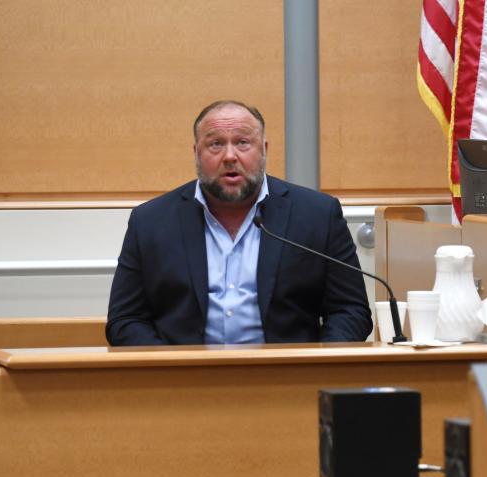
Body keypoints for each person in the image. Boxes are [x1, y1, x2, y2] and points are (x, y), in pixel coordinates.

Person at [106, 100, 372, 346]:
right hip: (183, 383)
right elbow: (125, 320)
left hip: (288, 380)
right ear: (196, 153)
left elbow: (350, 310)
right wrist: (172, 370)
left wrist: (318, 368)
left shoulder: (317, 215)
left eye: (243, 143)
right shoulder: (151, 221)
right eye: (215, 144)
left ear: (264, 150)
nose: (230, 156)